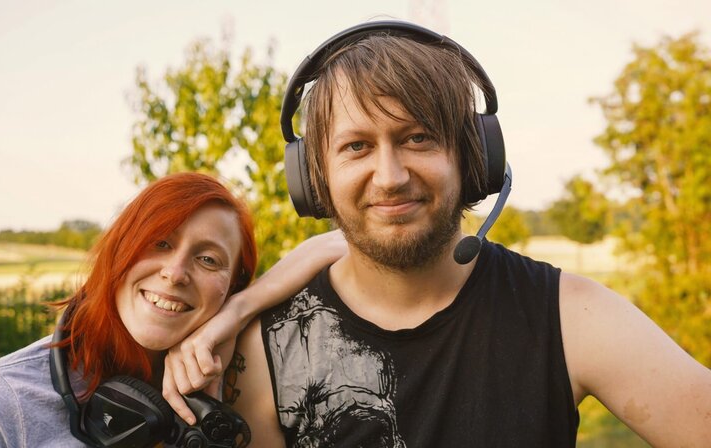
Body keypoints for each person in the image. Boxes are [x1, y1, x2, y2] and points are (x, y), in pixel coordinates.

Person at [170, 21, 711, 447]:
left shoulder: (569, 316)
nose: (390, 176)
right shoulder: (267, 348)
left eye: (418, 138)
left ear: (473, 158)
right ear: (314, 180)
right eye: (357, 146)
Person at [0, 172, 346, 447]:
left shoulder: (235, 384)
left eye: (208, 260)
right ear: (118, 253)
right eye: (159, 242)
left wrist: (238, 312)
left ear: (231, 288)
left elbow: (346, 241)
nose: (175, 273)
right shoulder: (2, 399)